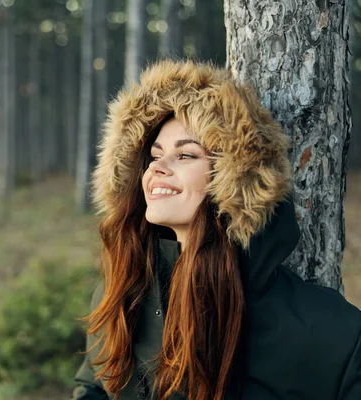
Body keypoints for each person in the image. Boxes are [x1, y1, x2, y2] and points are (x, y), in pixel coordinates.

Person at [72, 60, 361, 400]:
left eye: (185, 156)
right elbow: (93, 386)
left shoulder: (330, 331)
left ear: (233, 179)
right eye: (154, 155)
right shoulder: (122, 290)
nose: (157, 169)